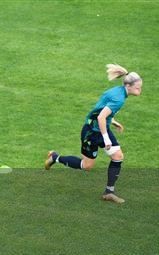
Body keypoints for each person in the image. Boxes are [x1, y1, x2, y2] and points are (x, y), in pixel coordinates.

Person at [45, 64, 143, 203]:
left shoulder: (118, 92)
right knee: (87, 166)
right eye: (138, 87)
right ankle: (55, 157)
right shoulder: (119, 99)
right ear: (128, 86)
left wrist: (113, 121)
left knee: (118, 156)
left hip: (101, 128)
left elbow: (100, 109)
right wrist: (106, 139)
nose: (140, 90)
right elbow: (100, 117)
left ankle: (109, 192)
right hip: (91, 132)